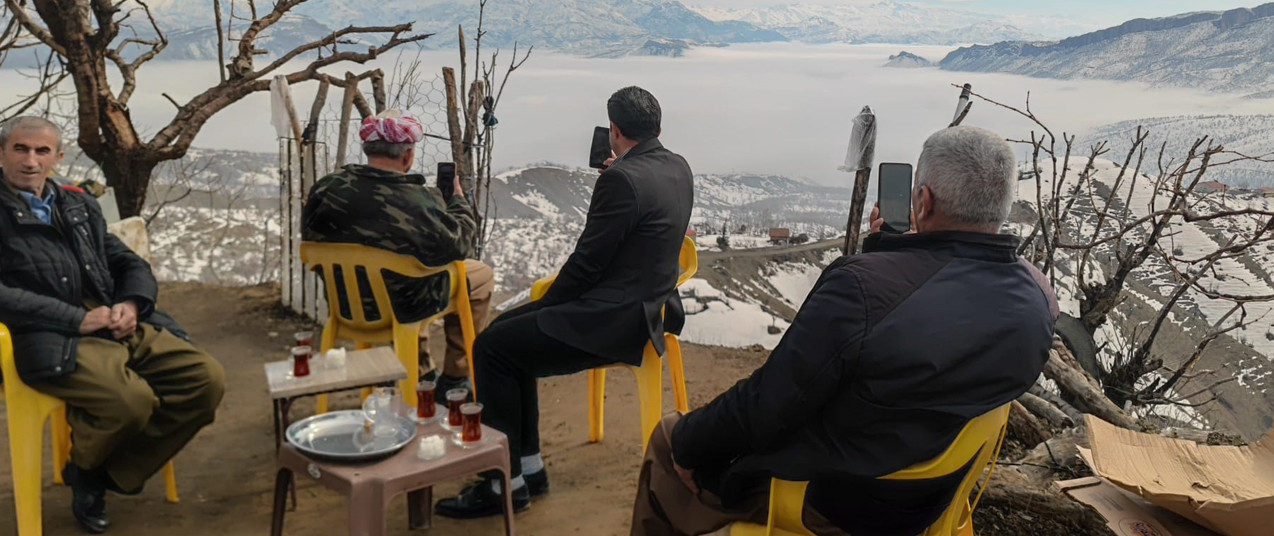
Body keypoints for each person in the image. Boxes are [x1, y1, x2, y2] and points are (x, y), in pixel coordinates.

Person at [631, 125, 1057, 536]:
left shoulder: (860, 289)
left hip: (835, 503)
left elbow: (766, 405)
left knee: (670, 439)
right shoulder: (1038, 299)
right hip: (935, 495)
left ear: (923, 202)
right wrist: (892, 253)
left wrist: (690, 444)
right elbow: (933, 308)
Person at [435, 86, 694, 519]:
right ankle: (527, 470)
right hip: (648, 310)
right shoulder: (677, 167)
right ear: (657, 128)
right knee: (508, 344)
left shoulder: (621, 181)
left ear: (614, 130)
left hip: (612, 320)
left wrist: (544, 308)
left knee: (493, 346)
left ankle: (505, 484)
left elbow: (586, 266)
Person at [0, 116, 225, 534]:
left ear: (57, 157)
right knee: (129, 401)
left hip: (113, 319)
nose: (31, 161)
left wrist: (132, 303)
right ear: (2, 153)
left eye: (42, 151)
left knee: (204, 380)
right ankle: (91, 471)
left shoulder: (76, 205)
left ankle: (99, 473)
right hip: (48, 335)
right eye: (20, 149)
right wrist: (76, 318)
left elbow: (126, 261)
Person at [301, 110, 494, 398]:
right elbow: (459, 245)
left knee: (410, 268)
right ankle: (456, 376)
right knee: (479, 276)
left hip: (347, 304)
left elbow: (310, 236)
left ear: (367, 149)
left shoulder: (326, 189)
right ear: (408, 156)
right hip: (406, 305)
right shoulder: (417, 200)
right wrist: (458, 203)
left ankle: (420, 369)